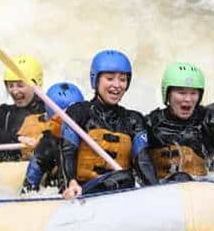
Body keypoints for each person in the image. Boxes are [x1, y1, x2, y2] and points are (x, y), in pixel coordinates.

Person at [61, 49, 157, 200]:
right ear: (96, 80)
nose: (117, 85)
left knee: (124, 178)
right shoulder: (78, 112)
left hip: (120, 189)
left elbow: (143, 161)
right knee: (124, 178)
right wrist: (71, 183)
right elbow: (67, 152)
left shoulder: (134, 119)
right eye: (110, 78)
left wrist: (156, 192)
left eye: (123, 79)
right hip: (81, 190)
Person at [0, 55, 47, 162]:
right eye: (11, 86)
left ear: (36, 85)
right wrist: (16, 138)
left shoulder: (49, 112)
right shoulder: (4, 113)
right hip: (6, 168)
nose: (15, 91)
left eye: (20, 85)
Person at [22, 82, 84, 193]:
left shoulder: (90, 135)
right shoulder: (46, 145)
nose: (69, 124)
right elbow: (28, 188)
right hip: (59, 194)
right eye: (61, 120)